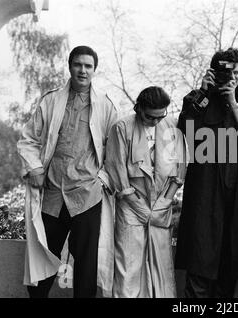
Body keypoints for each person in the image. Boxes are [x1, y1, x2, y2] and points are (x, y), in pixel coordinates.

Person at [17, 45, 118, 298]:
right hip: (52, 192)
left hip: (87, 195)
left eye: (88, 66)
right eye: (78, 64)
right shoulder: (51, 100)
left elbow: (116, 151)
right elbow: (28, 139)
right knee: (43, 256)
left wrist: (102, 180)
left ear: (95, 70)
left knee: (86, 266)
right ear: (70, 66)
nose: (82, 70)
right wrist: (36, 168)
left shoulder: (106, 106)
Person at [175, 48, 238, 298]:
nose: (231, 77)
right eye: (226, 71)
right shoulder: (197, 99)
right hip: (204, 187)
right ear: (214, 72)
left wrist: (233, 102)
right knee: (200, 262)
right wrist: (203, 93)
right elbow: (186, 129)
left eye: (236, 72)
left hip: (235, 187)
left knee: (229, 265)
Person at [105, 86, 187, 298]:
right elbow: (117, 169)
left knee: (162, 267)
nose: (156, 122)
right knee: (129, 267)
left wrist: (165, 202)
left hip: (162, 204)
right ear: (139, 108)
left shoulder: (171, 126)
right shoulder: (122, 127)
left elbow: (179, 169)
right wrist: (138, 205)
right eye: (151, 117)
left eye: (161, 116)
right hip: (132, 204)